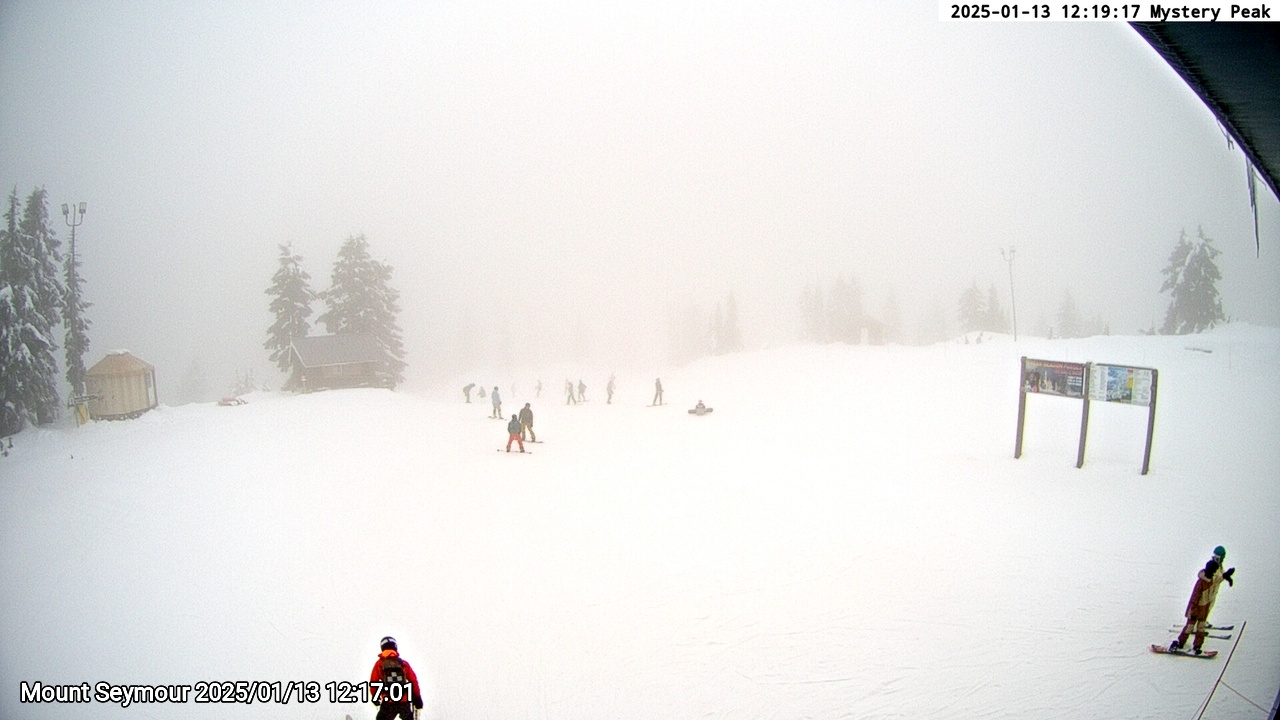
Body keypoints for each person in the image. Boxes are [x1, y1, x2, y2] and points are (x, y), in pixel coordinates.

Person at [1171, 546, 1236, 655]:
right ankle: (1180, 642)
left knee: (1201, 626)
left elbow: (1216, 579)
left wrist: (1225, 576)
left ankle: (1197, 645)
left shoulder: (1211, 578)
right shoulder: (1202, 582)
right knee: (1190, 626)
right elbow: (1195, 598)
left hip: (1205, 605)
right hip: (1196, 607)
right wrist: (1193, 610)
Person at [368, 636, 424, 720]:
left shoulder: (379, 664)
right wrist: (418, 697)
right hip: (404, 702)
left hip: (388, 703)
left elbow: (373, 682)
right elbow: (413, 681)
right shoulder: (404, 663)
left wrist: (375, 697)